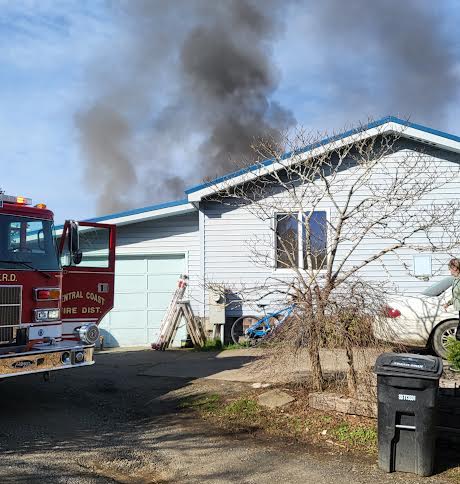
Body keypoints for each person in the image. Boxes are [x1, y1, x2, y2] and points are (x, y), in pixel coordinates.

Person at [443, 258, 460, 340]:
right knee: (458, 336)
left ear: (455, 268)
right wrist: (448, 303)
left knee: (458, 335)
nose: (450, 271)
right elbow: (456, 296)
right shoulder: (456, 280)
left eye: (450, 269)